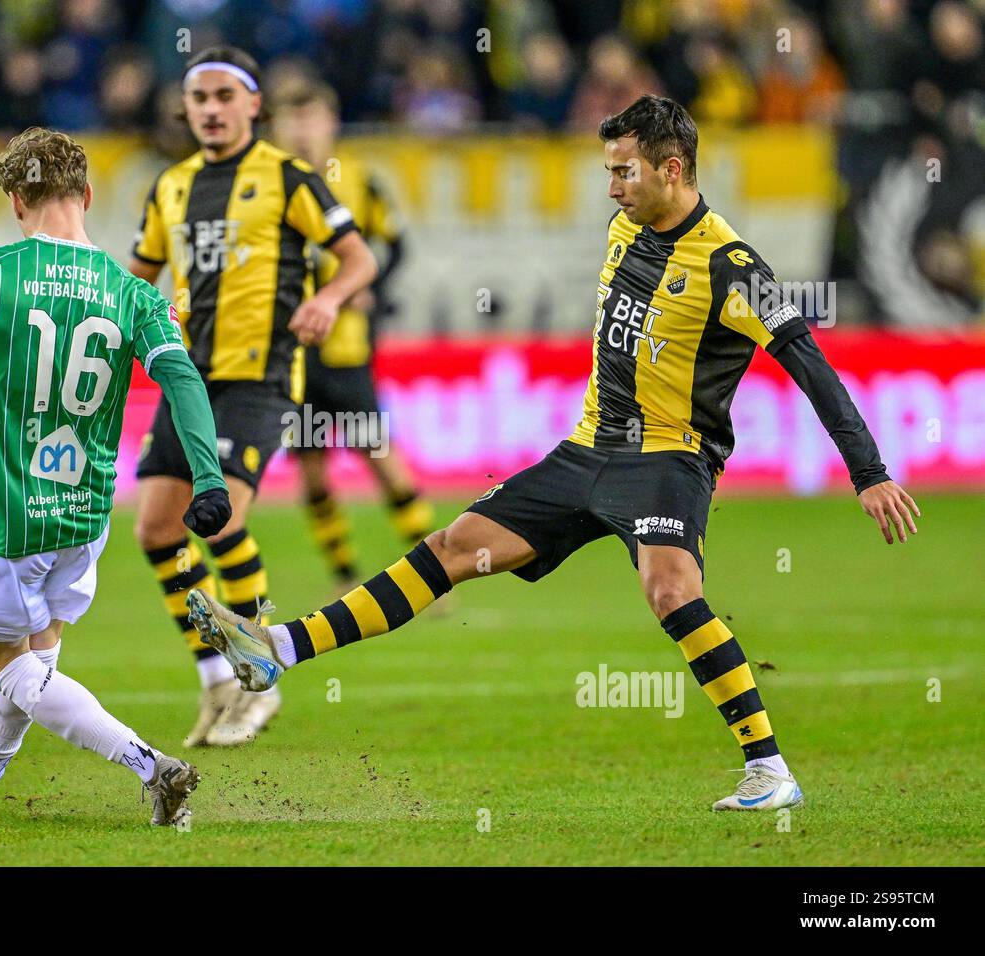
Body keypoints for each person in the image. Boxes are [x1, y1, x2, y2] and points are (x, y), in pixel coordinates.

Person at [186, 95, 922, 812]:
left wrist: (870, 473)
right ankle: (276, 648)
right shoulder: (622, 228)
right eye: (608, 171)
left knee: (670, 592)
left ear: (673, 169)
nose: (611, 188)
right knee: (449, 547)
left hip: (667, 462)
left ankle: (768, 767)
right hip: (583, 452)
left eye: (623, 172)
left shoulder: (732, 267)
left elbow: (809, 364)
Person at [0, 127, 232, 825]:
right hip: (84, 519)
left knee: (1, 666)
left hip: (3, 517)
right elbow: (181, 379)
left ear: (15, 198)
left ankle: (152, 768)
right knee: (36, 665)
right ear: (86, 195)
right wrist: (208, 480)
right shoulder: (135, 295)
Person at [128, 47, 378, 748]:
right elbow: (139, 275)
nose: (208, 109)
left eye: (221, 96)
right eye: (198, 98)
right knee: (155, 531)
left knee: (220, 518)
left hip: (257, 379)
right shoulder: (170, 187)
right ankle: (214, 680)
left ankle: (261, 674)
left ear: (252, 106)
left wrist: (329, 297)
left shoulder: (289, 177)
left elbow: (360, 255)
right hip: (187, 379)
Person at [270, 81, 433, 592]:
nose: (302, 130)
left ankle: (432, 571)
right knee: (313, 471)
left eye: (311, 118)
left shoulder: (359, 181)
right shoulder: (264, 184)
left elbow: (397, 245)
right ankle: (343, 574)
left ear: (330, 123)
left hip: (344, 351)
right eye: (292, 120)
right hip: (292, 353)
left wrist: (372, 291)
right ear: (276, 126)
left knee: (380, 457)